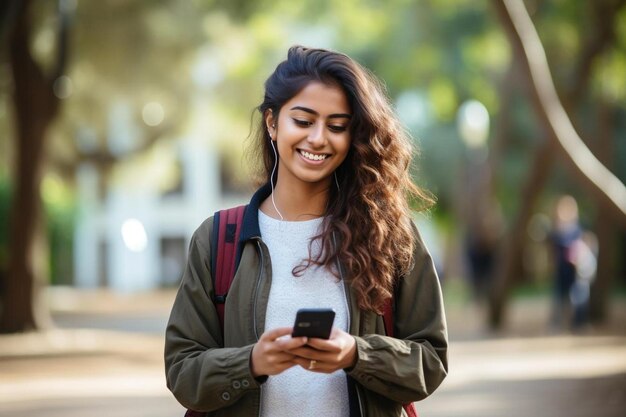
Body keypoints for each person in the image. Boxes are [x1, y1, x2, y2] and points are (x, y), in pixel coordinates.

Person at [164, 45, 448, 417]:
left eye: (337, 126)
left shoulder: (390, 235)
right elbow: (182, 370)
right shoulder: (218, 239)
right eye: (303, 120)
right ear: (272, 122)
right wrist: (251, 362)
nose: (318, 138)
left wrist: (356, 355)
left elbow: (430, 361)